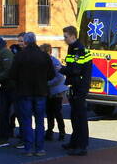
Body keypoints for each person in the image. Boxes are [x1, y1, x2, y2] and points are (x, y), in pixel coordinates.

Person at [8, 31, 54, 156]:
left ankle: (28, 148)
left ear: (26, 42)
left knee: (26, 121)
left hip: (24, 93)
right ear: (35, 41)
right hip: (41, 92)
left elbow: (12, 74)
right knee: (40, 121)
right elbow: (51, 75)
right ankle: (40, 148)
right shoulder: (44, 56)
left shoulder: (20, 56)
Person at [60, 25, 93, 156]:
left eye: (66, 37)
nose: (64, 39)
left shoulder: (79, 50)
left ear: (73, 36)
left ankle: (82, 145)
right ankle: (74, 142)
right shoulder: (72, 48)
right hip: (75, 85)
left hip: (80, 86)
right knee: (74, 116)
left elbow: (75, 70)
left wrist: (60, 69)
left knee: (80, 117)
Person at [42, 43, 67, 142]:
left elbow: (60, 77)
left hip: (56, 92)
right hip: (50, 91)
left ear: (48, 52)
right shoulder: (46, 61)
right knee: (49, 112)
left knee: (57, 112)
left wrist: (48, 84)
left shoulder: (54, 62)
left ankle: (61, 132)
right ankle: (50, 132)